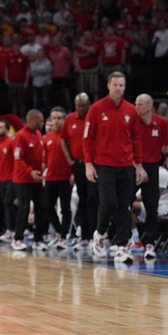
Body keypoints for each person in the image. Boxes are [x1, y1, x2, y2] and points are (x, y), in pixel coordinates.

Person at [84, 72, 145, 263]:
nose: (119, 88)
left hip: (126, 165)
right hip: (104, 165)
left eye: (122, 85)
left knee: (124, 206)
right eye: (116, 85)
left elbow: (136, 138)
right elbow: (87, 138)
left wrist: (139, 165)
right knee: (108, 203)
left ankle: (121, 246)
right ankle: (100, 235)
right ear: (108, 86)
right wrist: (88, 164)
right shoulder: (96, 109)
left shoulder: (131, 110)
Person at [133, 94, 168, 258]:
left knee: (152, 207)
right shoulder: (131, 122)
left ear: (149, 106)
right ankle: (130, 238)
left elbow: (166, 146)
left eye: (139, 104)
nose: (136, 108)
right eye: (135, 104)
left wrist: (155, 165)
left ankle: (149, 243)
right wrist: (137, 167)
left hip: (152, 167)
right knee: (122, 203)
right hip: (132, 166)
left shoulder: (161, 123)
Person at [61, 92, 97, 247]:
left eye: (84, 105)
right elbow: (63, 139)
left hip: (94, 164)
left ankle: (96, 235)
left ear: (89, 104)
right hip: (78, 164)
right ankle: (85, 236)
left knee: (93, 199)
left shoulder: (95, 117)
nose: (81, 108)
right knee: (82, 199)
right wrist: (70, 161)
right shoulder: (70, 119)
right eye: (78, 106)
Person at [11, 109, 48, 251]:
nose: (42, 123)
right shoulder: (20, 136)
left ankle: (39, 239)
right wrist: (29, 171)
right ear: (32, 120)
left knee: (41, 207)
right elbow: (17, 158)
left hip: (37, 179)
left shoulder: (38, 134)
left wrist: (43, 165)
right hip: (22, 179)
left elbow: (42, 154)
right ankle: (17, 238)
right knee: (24, 207)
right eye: (40, 120)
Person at [42, 107, 72, 249]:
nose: (56, 121)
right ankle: (61, 233)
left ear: (64, 119)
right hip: (50, 177)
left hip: (66, 178)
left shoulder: (69, 136)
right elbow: (44, 159)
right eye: (54, 118)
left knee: (65, 208)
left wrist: (74, 173)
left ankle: (64, 237)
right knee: (47, 206)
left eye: (59, 118)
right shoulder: (47, 137)